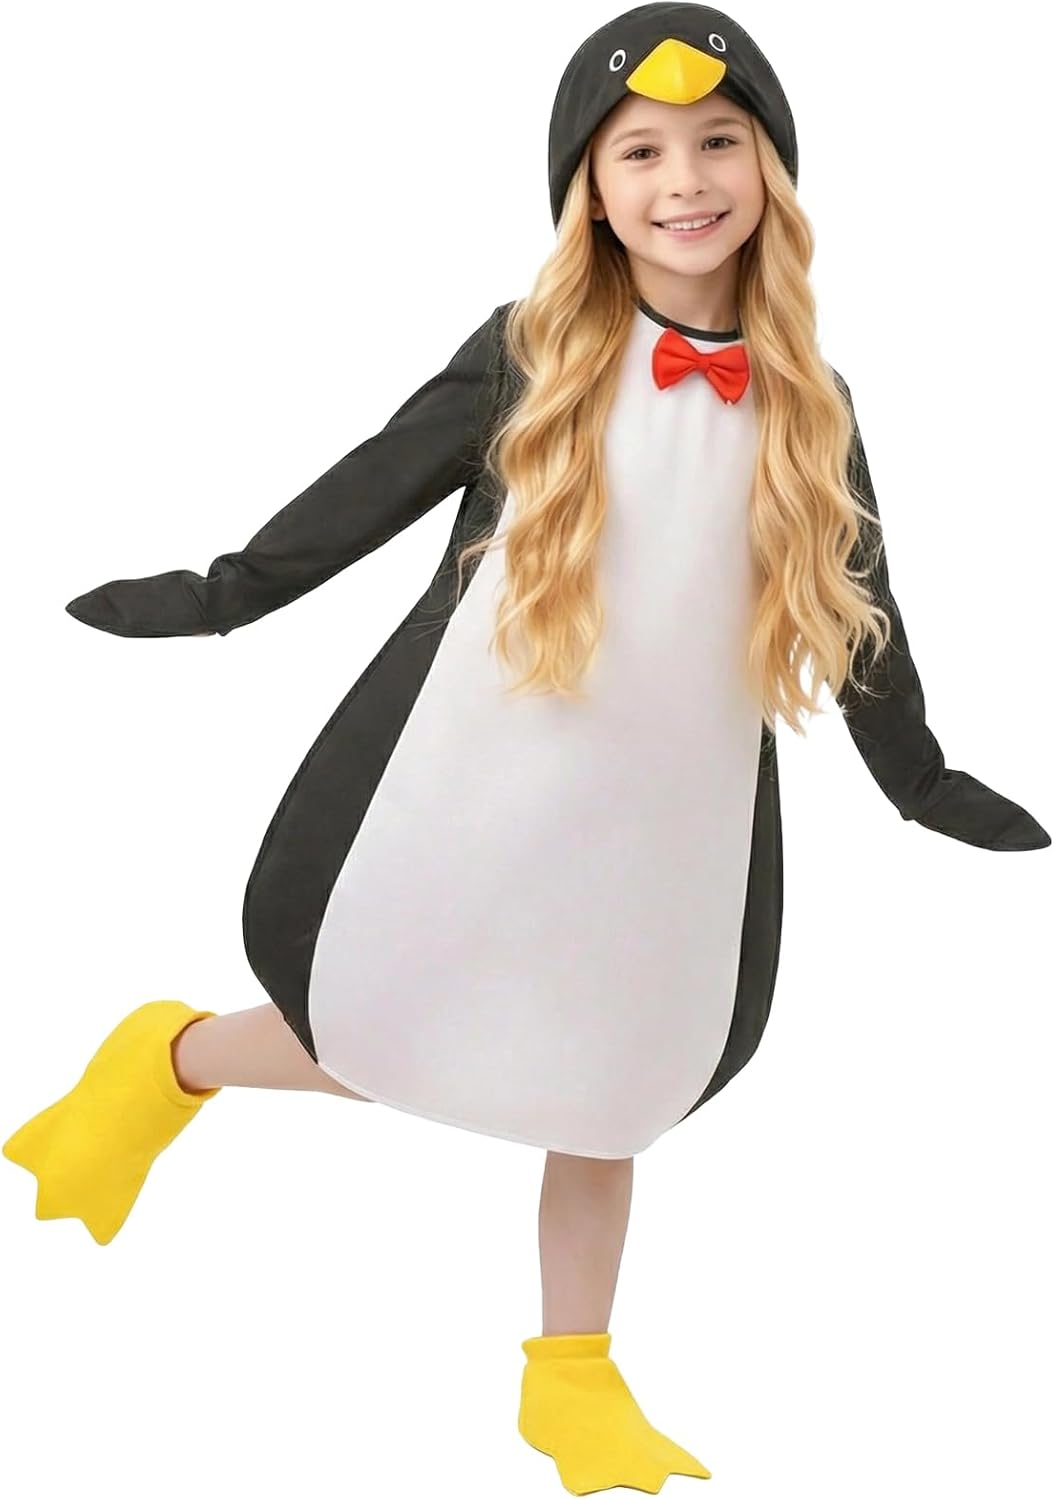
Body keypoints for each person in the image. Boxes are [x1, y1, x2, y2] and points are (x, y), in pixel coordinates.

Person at [4, 5, 1049, 1493]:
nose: (684, 181)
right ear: (591, 190)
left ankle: (571, 1377)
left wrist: (918, 777)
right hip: (485, 773)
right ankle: (166, 1062)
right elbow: (371, 483)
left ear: (769, 169)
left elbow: (857, 600)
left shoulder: (810, 406)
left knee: (613, 1077)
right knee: (392, 1018)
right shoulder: (534, 353)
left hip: (669, 808)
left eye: (718, 143)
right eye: (641, 153)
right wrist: (223, 595)